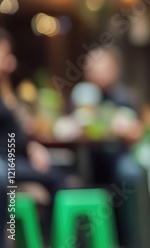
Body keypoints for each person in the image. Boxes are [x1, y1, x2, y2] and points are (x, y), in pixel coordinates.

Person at [79, 46, 150, 248]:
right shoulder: (82, 98)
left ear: (114, 68)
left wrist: (127, 130)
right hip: (89, 158)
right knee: (72, 175)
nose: (94, 70)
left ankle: (134, 240)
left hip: (119, 156)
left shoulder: (125, 97)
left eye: (100, 65)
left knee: (128, 172)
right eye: (91, 66)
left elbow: (138, 132)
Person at [0, 27, 71, 245]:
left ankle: (52, 239)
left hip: (15, 158)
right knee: (57, 176)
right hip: (6, 160)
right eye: (4, 54)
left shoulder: (7, 90)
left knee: (62, 170)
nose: (9, 59)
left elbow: (17, 130)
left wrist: (32, 146)